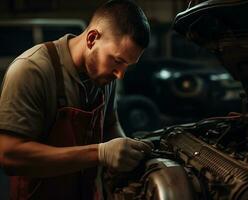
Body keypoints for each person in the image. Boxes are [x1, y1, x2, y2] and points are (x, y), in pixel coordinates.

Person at [0, 0, 152, 199]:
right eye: (118, 60)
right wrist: (100, 153)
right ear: (92, 39)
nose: (120, 74)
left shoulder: (106, 76)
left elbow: (109, 124)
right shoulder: (32, 70)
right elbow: (10, 155)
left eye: (128, 65)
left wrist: (126, 151)